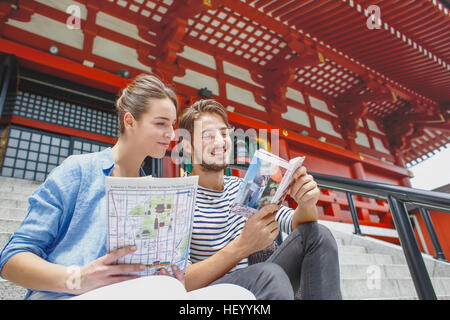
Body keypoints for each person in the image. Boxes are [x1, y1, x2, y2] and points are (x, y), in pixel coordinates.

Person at [0, 75, 254, 300]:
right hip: (64, 294)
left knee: (237, 295)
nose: (171, 134)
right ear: (130, 121)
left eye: (173, 125)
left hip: (135, 293)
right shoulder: (79, 170)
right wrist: (78, 278)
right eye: (160, 123)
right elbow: (12, 258)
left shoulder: (157, 193)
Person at [179, 99, 342, 300]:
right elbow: (181, 280)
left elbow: (296, 224)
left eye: (223, 133)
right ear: (187, 145)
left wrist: (306, 204)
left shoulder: (245, 187)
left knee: (318, 234)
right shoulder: (178, 199)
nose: (220, 142)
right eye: (208, 136)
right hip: (213, 293)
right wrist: (243, 246)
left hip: (262, 283)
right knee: (269, 275)